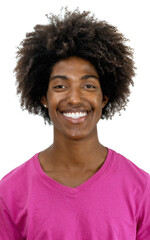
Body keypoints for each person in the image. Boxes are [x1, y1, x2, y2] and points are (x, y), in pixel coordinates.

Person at [0, 8, 150, 240]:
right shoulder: (11, 191)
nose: (75, 98)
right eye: (60, 86)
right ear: (43, 97)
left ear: (104, 97)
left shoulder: (141, 189)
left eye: (88, 86)